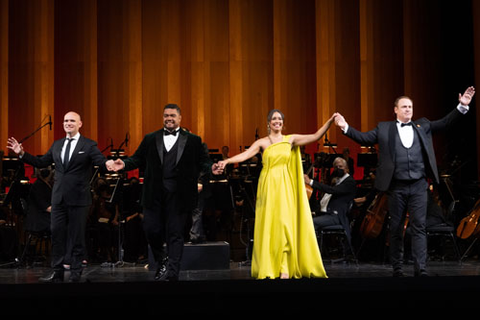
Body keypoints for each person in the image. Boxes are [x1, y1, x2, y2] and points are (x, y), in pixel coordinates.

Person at [334, 86, 475, 277]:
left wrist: (462, 106)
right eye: (404, 106)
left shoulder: (423, 125)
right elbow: (364, 138)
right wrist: (345, 127)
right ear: (396, 110)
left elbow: (445, 123)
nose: (408, 109)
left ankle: (421, 269)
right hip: (396, 186)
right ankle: (398, 268)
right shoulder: (384, 128)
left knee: (419, 227)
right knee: (396, 227)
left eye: (410, 106)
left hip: (418, 185)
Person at [107, 104, 222, 281]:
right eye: (166, 115)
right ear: (163, 117)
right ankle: (162, 259)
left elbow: (203, 162)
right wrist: (124, 164)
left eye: (173, 115)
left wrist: (212, 168)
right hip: (154, 193)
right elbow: (137, 159)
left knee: (175, 233)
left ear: (180, 118)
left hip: (180, 195)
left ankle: (172, 274)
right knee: (151, 229)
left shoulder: (193, 140)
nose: (169, 118)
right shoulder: (150, 138)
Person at [217, 109, 335, 279]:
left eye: (280, 119)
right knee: (271, 225)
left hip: (286, 186)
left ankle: (285, 266)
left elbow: (315, 135)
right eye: (274, 119)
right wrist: (227, 160)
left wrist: (330, 122)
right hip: (269, 187)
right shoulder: (262, 142)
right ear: (268, 123)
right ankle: (272, 265)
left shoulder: (291, 139)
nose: (277, 121)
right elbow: (245, 155)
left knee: (285, 224)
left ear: (283, 123)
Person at [7, 111, 110, 282]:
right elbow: (41, 163)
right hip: (59, 198)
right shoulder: (57, 145)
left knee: (77, 236)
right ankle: (58, 270)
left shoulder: (89, 145)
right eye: (65, 121)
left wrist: (109, 163)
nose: (68, 123)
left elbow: (100, 160)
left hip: (79, 199)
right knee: (56, 234)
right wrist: (22, 154)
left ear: (80, 124)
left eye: (72, 121)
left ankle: (76, 272)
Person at [304, 157, 356, 244]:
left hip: (336, 216)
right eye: (336, 167)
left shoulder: (349, 181)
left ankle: (311, 250)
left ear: (346, 169)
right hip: (328, 213)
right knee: (306, 219)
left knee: (311, 222)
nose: (338, 169)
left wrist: (311, 182)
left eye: (341, 167)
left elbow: (332, 190)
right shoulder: (337, 180)